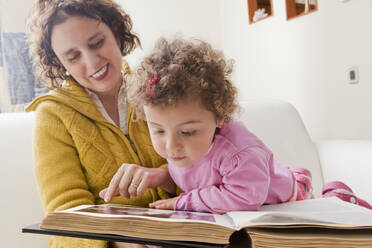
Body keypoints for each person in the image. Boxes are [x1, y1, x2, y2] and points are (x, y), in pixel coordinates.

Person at [25, 1, 174, 248]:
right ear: (59, 62)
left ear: (115, 30)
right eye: (73, 57)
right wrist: (119, 241)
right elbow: (65, 217)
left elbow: (210, 172)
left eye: (97, 43)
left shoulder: (157, 88)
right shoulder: (53, 115)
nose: (92, 62)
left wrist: (166, 177)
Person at [113, 37, 314, 214]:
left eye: (188, 132)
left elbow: (245, 197)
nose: (171, 146)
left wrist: (184, 202)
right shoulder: (184, 145)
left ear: (220, 116)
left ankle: (327, 189)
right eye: (157, 130)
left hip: (288, 199)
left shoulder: (240, 153)